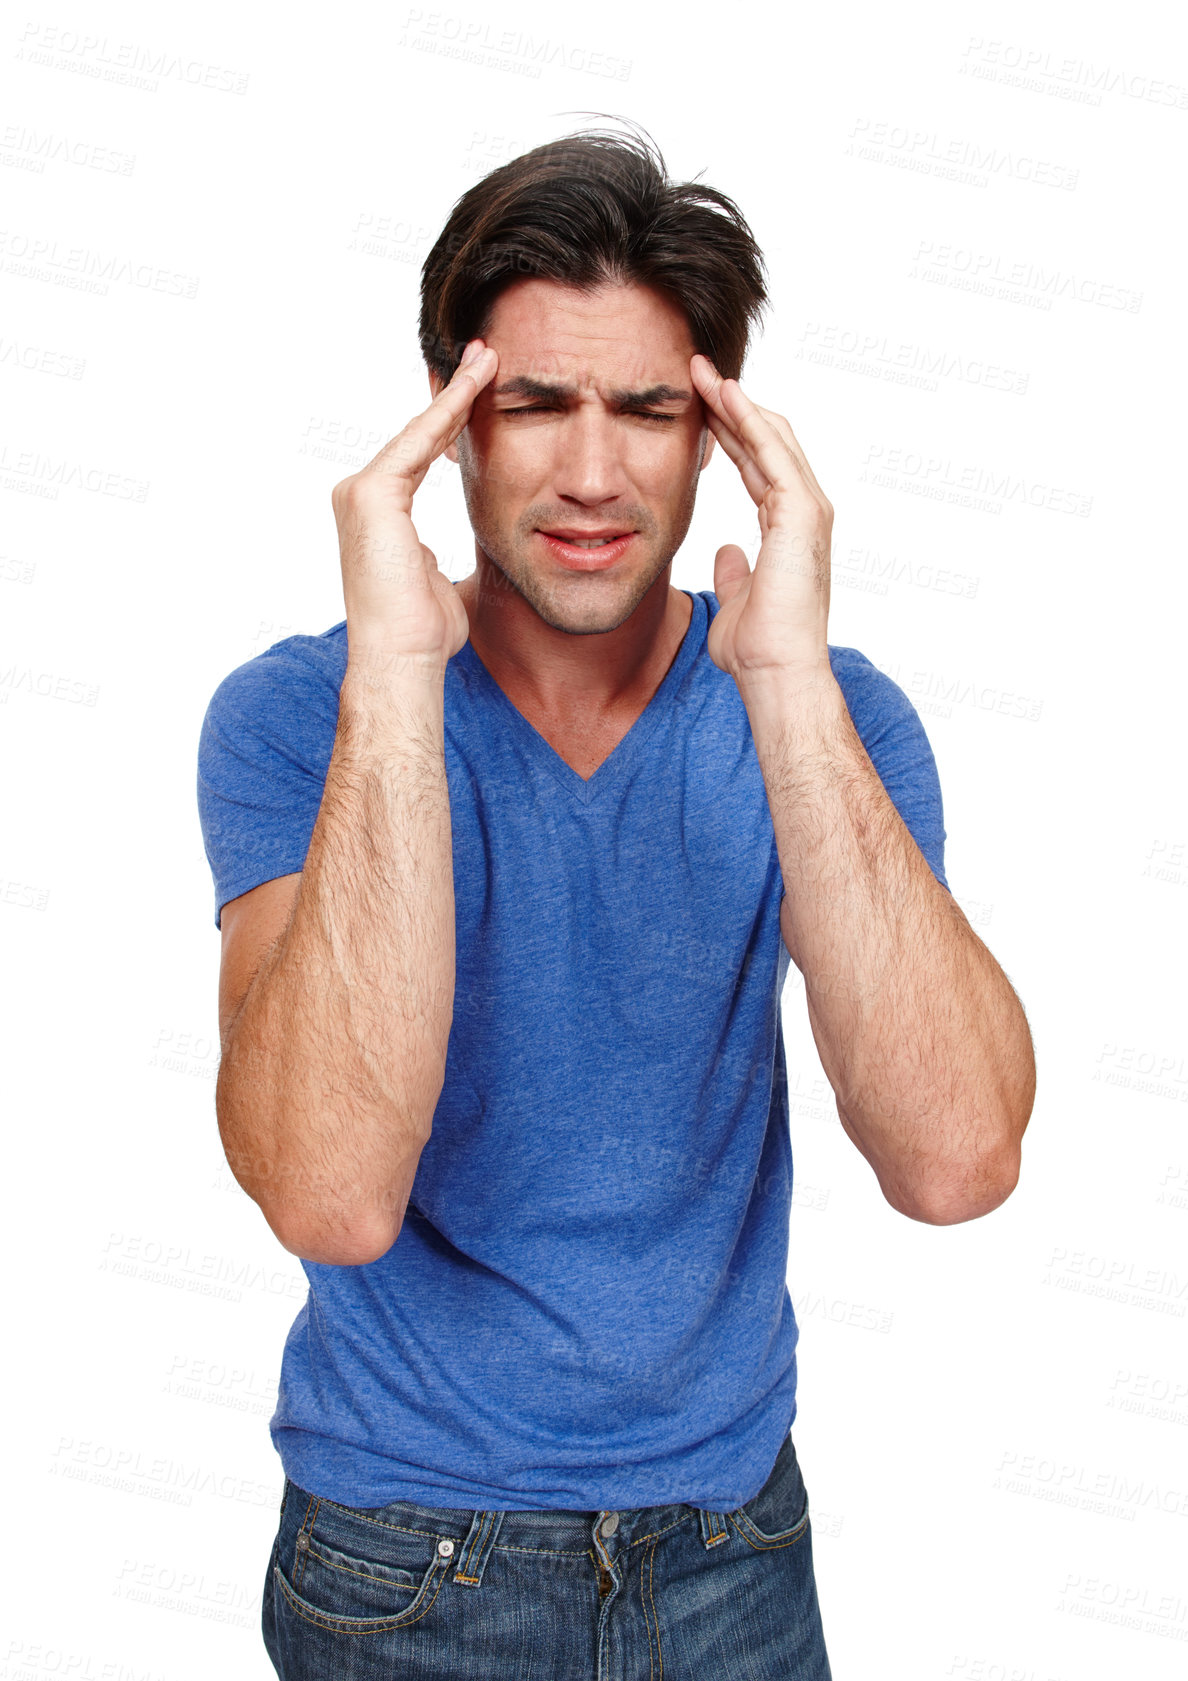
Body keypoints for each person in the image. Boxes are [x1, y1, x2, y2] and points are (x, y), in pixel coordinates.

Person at [197, 124, 1035, 1680]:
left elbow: (956, 1158)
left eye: (649, 409)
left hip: (736, 1548)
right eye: (536, 406)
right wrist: (396, 669)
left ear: (716, 434)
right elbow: (327, 1192)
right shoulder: (301, 715)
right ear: (454, 427)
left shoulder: (835, 724)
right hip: (400, 1559)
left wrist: (784, 679)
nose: (593, 472)